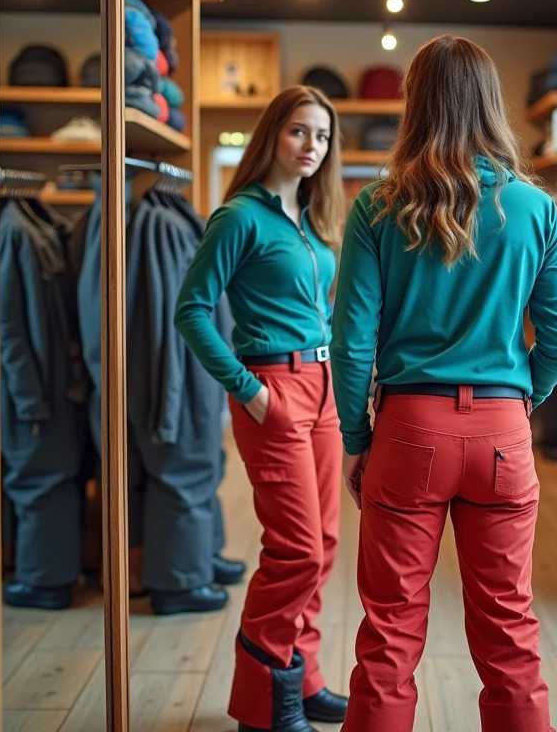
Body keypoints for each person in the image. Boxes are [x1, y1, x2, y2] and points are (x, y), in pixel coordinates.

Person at [331, 35, 557, 732]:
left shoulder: (376, 207)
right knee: (510, 634)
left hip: (408, 432)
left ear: (415, 105)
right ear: (490, 105)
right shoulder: (535, 209)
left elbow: (353, 345)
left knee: (389, 634)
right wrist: (519, 396)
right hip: (502, 432)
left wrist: (357, 437)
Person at [174, 85, 349, 732]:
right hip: (273, 388)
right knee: (296, 549)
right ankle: (261, 703)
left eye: (323, 136)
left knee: (324, 546)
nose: (313, 146)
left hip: (324, 389)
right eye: (301, 131)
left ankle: (303, 683)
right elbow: (190, 311)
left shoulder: (310, 218)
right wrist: (248, 391)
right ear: (274, 133)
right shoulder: (239, 217)